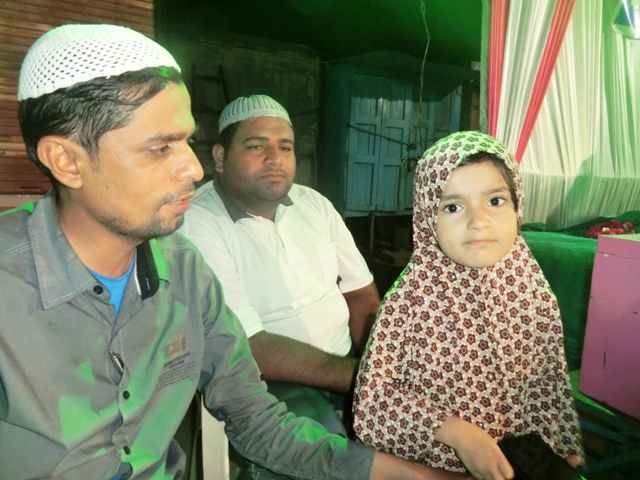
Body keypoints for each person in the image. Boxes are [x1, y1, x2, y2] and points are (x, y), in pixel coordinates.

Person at [0, 24, 470, 480]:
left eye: (185, 141)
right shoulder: (10, 285)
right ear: (67, 160)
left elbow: (255, 417)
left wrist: (413, 474)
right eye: (160, 148)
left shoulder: (183, 271)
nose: (192, 167)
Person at [353, 131, 583, 480]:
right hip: (431, 468)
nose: (478, 221)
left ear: (518, 205)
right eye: (453, 207)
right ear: (427, 217)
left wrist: (562, 448)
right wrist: (455, 432)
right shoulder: (408, 303)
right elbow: (372, 405)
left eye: (495, 201)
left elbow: (549, 387)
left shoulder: (533, 293)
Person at [179, 95, 380, 446]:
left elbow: (360, 293)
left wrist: (379, 361)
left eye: (285, 147)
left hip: (347, 365)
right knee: (324, 450)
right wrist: (363, 379)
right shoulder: (197, 222)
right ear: (221, 157)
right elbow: (246, 345)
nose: (275, 159)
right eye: (256, 146)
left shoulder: (313, 204)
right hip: (267, 379)